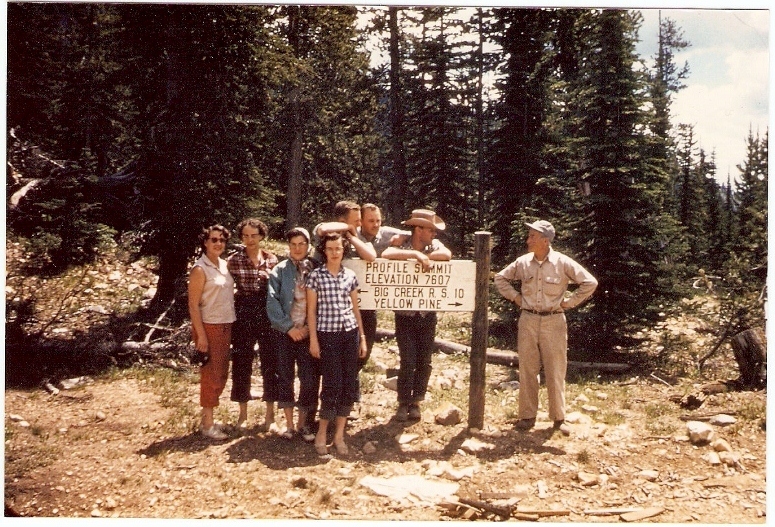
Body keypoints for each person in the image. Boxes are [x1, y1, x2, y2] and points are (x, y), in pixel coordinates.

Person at [494, 220, 597, 436]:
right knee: (528, 368)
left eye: (532, 236)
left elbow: (590, 283)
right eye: (529, 235)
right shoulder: (523, 263)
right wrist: (516, 298)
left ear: (545, 240)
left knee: (555, 369)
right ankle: (527, 416)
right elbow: (500, 278)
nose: (528, 240)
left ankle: (559, 418)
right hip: (528, 320)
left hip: (554, 321)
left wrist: (569, 303)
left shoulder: (562, 262)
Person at [381, 209, 452, 422]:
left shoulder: (434, 245)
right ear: (418, 229)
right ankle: (403, 402)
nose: (434, 234)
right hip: (404, 313)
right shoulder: (402, 243)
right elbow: (386, 255)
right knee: (407, 359)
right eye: (430, 230)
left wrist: (426, 256)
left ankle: (416, 402)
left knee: (425, 359)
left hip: (427, 313)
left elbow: (447, 255)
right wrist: (414, 255)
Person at [306, 232, 368, 455]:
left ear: (343, 251)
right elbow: (311, 311)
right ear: (324, 251)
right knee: (331, 384)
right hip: (327, 335)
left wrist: (361, 337)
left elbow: (355, 309)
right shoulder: (315, 277)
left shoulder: (349, 275)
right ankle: (322, 432)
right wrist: (313, 339)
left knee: (348, 385)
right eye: (330, 249)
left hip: (349, 334)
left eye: (338, 249)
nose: (334, 253)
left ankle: (339, 435)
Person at [266, 227, 320, 442]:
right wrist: (289, 328)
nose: (297, 248)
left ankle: (303, 424)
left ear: (308, 246)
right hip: (285, 333)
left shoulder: (316, 269)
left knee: (308, 378)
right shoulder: (279, 270)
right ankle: (288, 425)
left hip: (308, 333)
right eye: (293, 244)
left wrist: (307, 328)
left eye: (302, 244)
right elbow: (272, 302)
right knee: (285, 376)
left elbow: (321, 301)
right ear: (288, 246)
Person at [226, 218, 279, 430]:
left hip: (266, 311)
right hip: (244, 309)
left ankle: (270, 416)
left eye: (254, 235)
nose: (250, 240)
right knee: (241, 360)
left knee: (270, 361)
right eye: (245, 236)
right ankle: (243, 415)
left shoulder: (272, 259)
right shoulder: (234, 260)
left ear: (262, 236)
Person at [188, 224, 236, 440]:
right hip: (209, 326)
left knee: (221, 373)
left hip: (226, 323)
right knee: (211, 374)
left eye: (222, 240)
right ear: (205, 242)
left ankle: (209, 419)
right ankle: (207, 425)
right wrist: (201, 336)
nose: (218, 243)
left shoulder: (224, 265)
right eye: (214, 239)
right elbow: (193, 305)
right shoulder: (200, 269)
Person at [356, 203, 410, 370]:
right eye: (371, 221)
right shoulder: (353, 234)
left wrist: (404, 238)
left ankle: (354, 380)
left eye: (378, 220)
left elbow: (414, 232)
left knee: (367, 345)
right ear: (361, 222)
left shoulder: (386, 233)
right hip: (349, 297)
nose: (376, 225)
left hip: (371, 299)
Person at [313, 200, 377, 263]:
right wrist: (349, 227)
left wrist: (351, 237)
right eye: (356, 221)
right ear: (342, 222)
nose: (359, 224)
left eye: (360, 220)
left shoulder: (357, 235)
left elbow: (371, 257)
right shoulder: (326, 232)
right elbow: (323, 229)